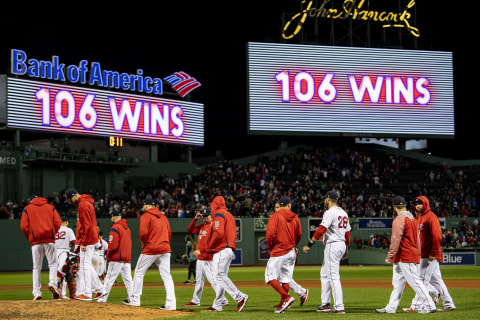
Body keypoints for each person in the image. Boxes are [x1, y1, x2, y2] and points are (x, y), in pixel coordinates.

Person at [375, 196, 437, 314]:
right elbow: (418, 239)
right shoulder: (412, 219)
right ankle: (391, 308)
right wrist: (418, 252)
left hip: (405, 255)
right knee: (397, 283)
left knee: (414, 281)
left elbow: (395, 239)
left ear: (394, 207)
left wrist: (389, 255)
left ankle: (429, 304)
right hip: (406, 255)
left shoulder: (399, 219)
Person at [193, 195, 248, 312]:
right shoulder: (229, 215)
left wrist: (209, 247)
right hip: (229, 249)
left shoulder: (218, 214)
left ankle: (240, 297)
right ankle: (217, 305)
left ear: (214, 205)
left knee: (218, 275)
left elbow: (218, 233)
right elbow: (233, 235)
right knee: (221, 277)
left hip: (222, 249)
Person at [404, 196, 456, 312]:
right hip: (423, 254)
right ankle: (448, 303)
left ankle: (416, 305)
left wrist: (434, 253)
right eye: (416, 204)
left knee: (422, 279)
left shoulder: (431, 217)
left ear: (425, 204)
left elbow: (437, 236)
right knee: (437, 280)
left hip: (429, 255)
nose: (417, 206)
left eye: (420, 203)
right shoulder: (418, 218)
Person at [303, 190, 350, 314]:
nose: (324, 201)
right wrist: (346, 249)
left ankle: (339, 307)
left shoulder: (330, 212)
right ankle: (325, 304)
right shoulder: (343, 212)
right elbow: (347, 233)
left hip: (333, 245)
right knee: (324, 274)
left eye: (325, 199)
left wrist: (310, 244)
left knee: (333, 276)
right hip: (340, 244)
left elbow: (321, 230)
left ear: (329, 199)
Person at [124, 198, 176, 310]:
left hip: (151, 248)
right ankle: (171, 304)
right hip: (165, 248)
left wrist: (143, 243)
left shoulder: (145, 216)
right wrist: (165, 243)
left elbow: (143, 233)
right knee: (167, 276)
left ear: (146, 206)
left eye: (144, 206)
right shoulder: (163, 216)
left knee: (139, 273)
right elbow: (169, 233)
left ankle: (135, 300)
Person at [64, 188, 107, 301]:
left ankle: (87, 293)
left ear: (75, 195)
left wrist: (83, 242)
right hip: (91, 238)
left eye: (70, 198)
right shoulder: (85, 202)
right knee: (86, 265)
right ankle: (100, 288)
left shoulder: (83, 204)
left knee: (83, 266)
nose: (70, 201)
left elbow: (86, 226)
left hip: (87, 239)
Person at [265, 196, 305, 314]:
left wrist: (271, 248)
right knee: (285, 279)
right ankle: (282, 305)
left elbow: (270, 235)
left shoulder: (275, 216)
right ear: (289, 205)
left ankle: (286, 297)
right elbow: (299, 235)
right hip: (292, 251)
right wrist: (294, 244)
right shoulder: (295, 218)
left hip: (279, 250)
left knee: (270, 277)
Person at [184, 207, 228, 307]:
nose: (204, 218)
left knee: (213, 280)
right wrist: (195, 219)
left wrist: (201, 250)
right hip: (200, 258)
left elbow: (213, 243)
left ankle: (223, 299)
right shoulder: (202, 226)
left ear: (210, 215)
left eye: (206, 216)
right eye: (203, 216)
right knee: (199, 280)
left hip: (208, 257)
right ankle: (196, 300)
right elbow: (190, 230)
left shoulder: (213, 226)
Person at [20, 195, 62, 300]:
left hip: (35, 242)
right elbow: (58, 222)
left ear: (32, 200)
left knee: (36, 267)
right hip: (49, 240)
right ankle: (52, 284)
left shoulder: (27, 209)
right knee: (52, 264)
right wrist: (52, 234)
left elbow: (24, 226)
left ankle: (37, 293)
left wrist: (31, 236)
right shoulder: (50, 207)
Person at [97, 210, 133, 303]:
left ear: (113, 217)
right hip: (126, 258)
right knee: (128, 280)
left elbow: (113, 245)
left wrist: (108, 256)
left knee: (108, 278)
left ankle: (102, 299)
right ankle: (133, 299)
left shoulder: (115, 228)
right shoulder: (127, 229)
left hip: (117, 258)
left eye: (111, 217)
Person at [55, 215, 77, 298]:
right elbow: (73, 242)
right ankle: (62, 293)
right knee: (63, 271)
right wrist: (71, 246)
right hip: (64, 252)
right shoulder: (69, 230)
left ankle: (57, 292)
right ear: (66, 222)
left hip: (54, 252)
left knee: (56, 272)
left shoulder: (55, 230)